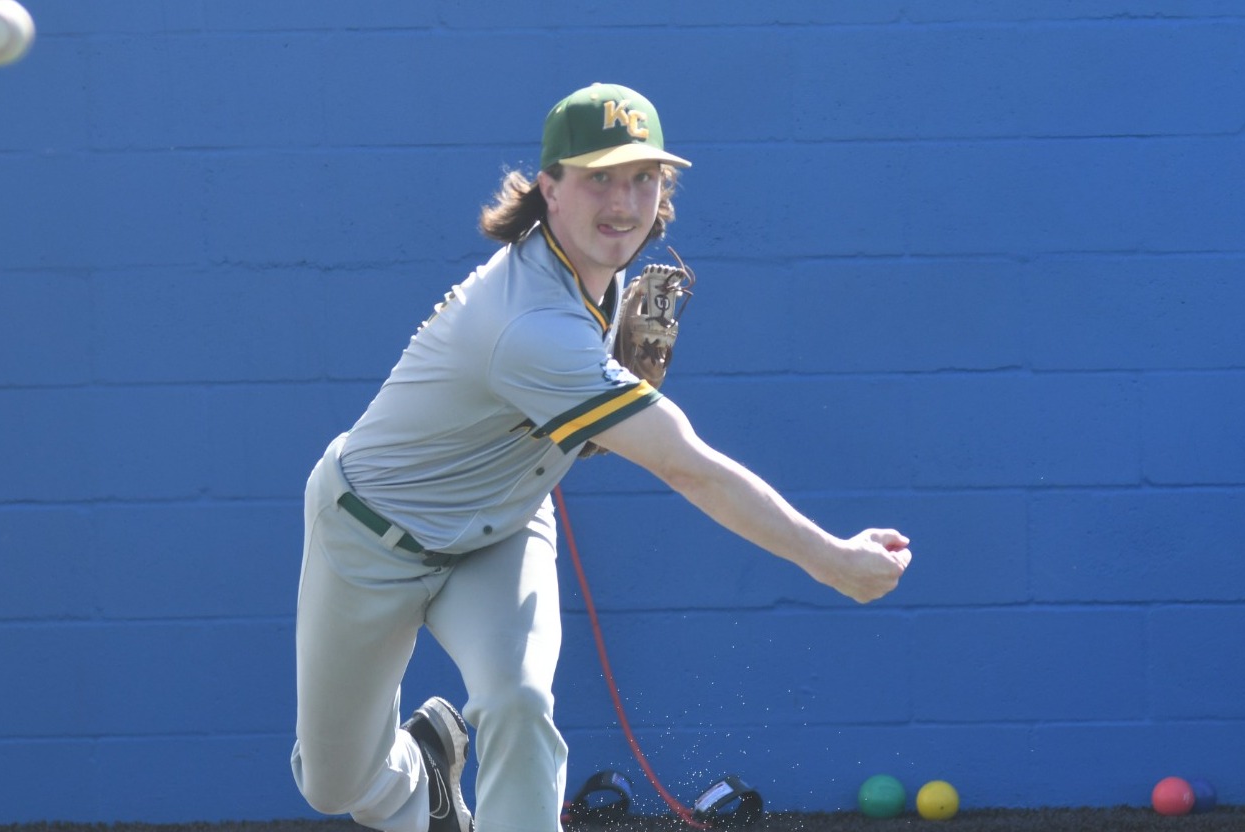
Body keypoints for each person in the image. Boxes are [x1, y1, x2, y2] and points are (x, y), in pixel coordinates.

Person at [291, 82, 912, 832]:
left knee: (519, 702)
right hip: (371, 535)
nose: (623, 202)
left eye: (643, 177)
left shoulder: (597, 272)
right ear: (548, 188)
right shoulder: (529, 324)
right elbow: (686, 465)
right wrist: (831, 559)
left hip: (502, 529)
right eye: (599, 178)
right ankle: (419, 772)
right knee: (334, 784)